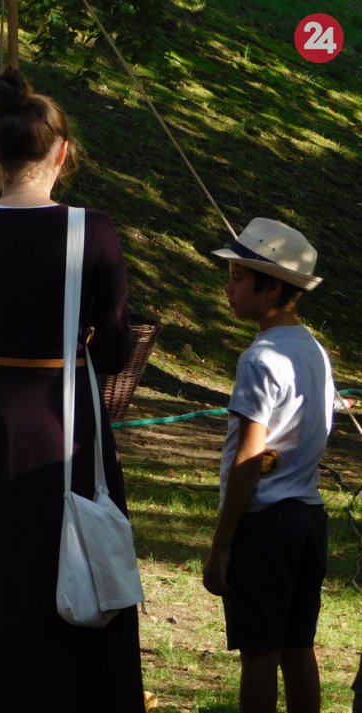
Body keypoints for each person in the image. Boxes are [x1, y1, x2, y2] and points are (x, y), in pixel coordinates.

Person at [0, 66, 142, 713]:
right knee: (69, 564)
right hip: (65, 428)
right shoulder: (92, 231)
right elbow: (115, 352)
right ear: (62, 153)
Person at [204, 218, 333, 713]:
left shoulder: (260, 357)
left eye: (238, 278)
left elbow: (248, 458)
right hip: (308, 519)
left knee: (259, 652)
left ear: (273, 287)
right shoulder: (314, 350)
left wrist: (222, 545)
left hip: (265, 525)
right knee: (298, 647)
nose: (229, 289)